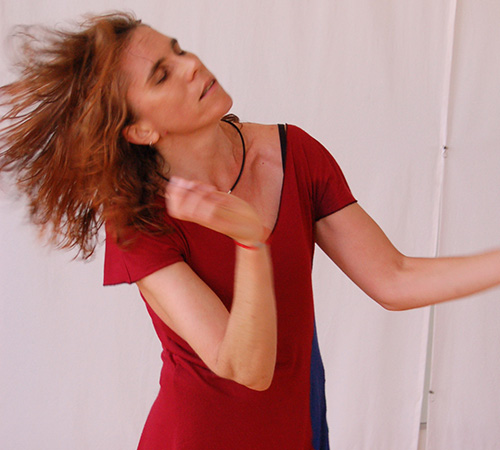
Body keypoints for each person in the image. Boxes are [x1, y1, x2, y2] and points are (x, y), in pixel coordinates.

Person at [1, 11, 500, 450]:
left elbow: (393, 278)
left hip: (299, 431)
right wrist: (250, 242)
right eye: (162, 75)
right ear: (141, 130)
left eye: (178, 50)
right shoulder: (139, 221)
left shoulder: (294, 153)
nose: (191, 65)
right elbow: (245, 368)